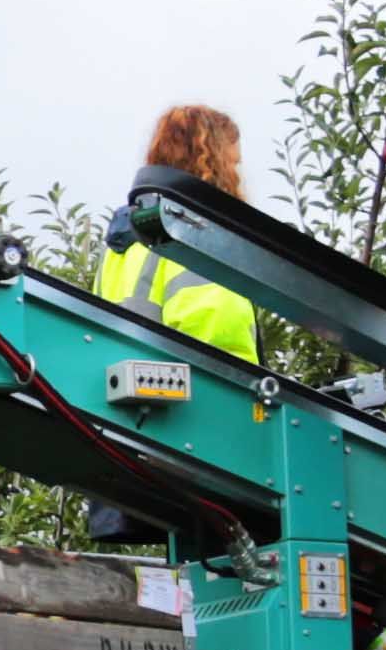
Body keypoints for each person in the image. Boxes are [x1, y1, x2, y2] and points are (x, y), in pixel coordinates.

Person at [87, 105, 262, 551]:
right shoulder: (198, 231)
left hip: (142, 427)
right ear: (215, 161)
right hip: (208, 426)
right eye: (235, 162)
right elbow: (216, 331)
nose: (240, 173)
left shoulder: (124, 240)